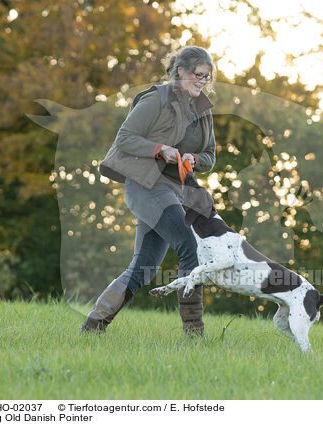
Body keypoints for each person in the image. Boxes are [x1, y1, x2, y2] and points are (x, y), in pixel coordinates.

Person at [80, 46, 217, 336]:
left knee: (144, 268)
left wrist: (194, 159)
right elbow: (125, 138)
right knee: (190, 247)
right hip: (146, 187)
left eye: (207, 76)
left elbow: (211, 155)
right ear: (180, 71)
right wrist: (159, 149)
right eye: (197, 74)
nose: (203, 81)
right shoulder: (157, 100)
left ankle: (92, 328)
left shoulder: (204, 110)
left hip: (174, 192)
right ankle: (195, 336)